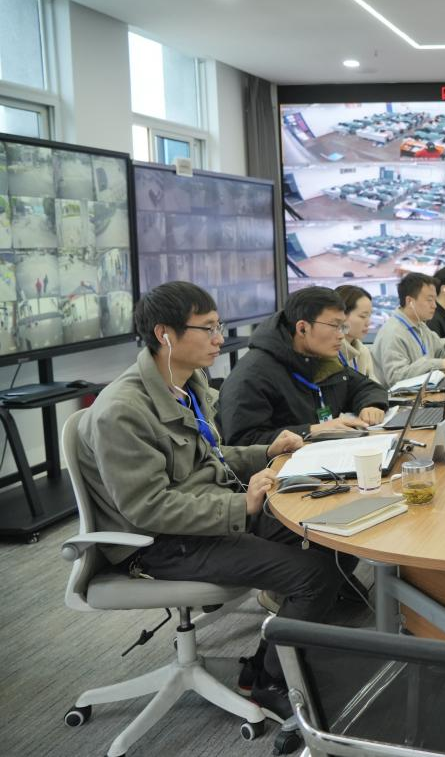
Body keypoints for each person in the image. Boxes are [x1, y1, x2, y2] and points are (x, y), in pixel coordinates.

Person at [75, 281, 342, 718]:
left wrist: (267, 451)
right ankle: (272, 682)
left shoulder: (187, 384)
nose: (220, 338)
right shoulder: (122, 410)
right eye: (208, 328)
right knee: (313, 575)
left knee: (328, 532)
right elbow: (148, 508)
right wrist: (242, 506)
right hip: (162, 542)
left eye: (219, 326)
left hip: (208, 514)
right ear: (165, 334)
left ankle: (263, 665)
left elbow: (210, 456)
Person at [219, 286, 388, 446]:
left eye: (342, 327)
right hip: (283, 465)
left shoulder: (322, 359)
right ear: (302, 329)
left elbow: (365, 387)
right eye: (334, 326)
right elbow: (243, 441)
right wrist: (311, 431)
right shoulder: (253, 374)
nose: (341, 336)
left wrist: (371, 405)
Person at [371, 272, 445, 388]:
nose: (434, 305)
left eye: (435, 300)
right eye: (429, 300)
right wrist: (440, 364)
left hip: (422, 392)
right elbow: (396, 377)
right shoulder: (393, 333)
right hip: (398, 397)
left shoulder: (420, 326)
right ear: (410, 301)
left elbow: (444, 349)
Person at [334, 284, 379, 384]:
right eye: (363, 316)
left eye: (369, 316)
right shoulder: (329, 351)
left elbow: (374, 387)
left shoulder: (363, 350)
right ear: (342, 316)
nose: (368, 323)